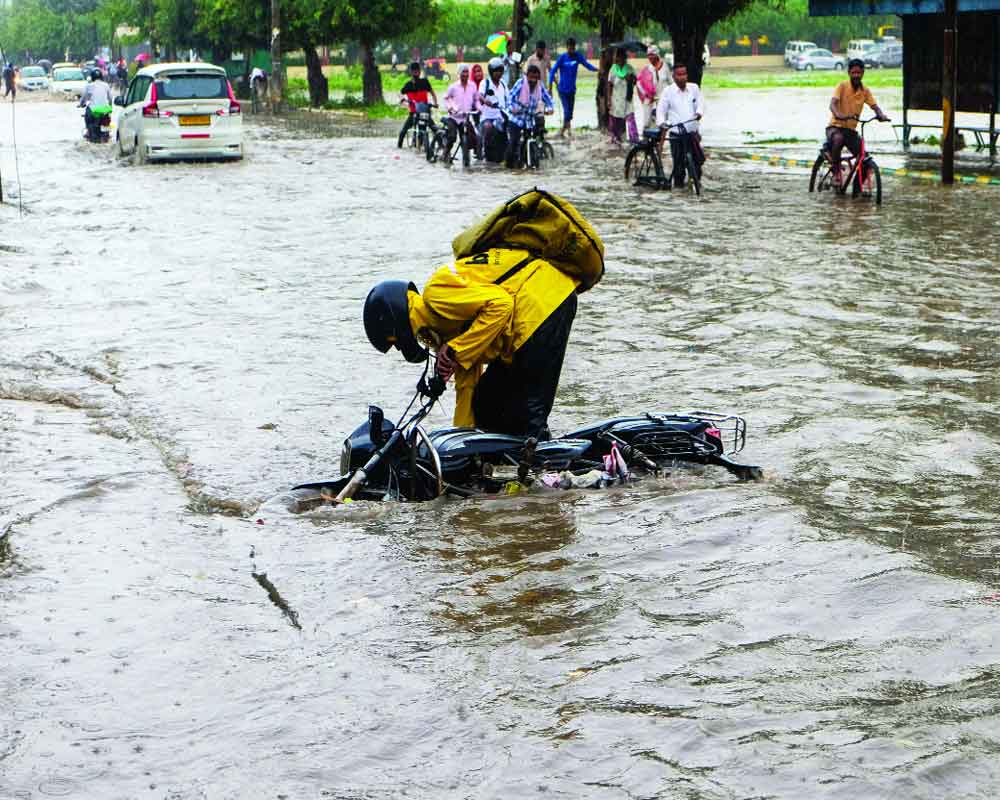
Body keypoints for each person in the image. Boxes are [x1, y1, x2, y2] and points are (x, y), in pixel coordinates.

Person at [362, 190, 605, 439]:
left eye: (394, 342)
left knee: (526, 413)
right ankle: (518, 462)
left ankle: (545, 468)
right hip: (541, 308)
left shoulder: (437, 294)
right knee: (486, 402)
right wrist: (460, 441)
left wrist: (456, 350)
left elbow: (501, 305)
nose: (405, 347)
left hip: (544, 302)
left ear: (395, 321)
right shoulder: (447, 330)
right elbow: (467, 385)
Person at [827, 59, 890, 187]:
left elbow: (874, 106)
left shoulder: (865, 91)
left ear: (863, 73)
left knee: (864, 158)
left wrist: (881, 115)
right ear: (849, 73)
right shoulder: (842, 86)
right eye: (853, 72)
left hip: (850, 131)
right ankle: (836, 172)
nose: (856, 75)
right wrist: (839, 115)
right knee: (838, 139)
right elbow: (833, 104)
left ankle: (857, 190)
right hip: (835, 127)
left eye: (859, 73)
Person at [655, 63, 705, 188]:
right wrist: (662, 123)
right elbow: (660, 110)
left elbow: (700, 103)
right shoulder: (668, 91)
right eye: (679, 74)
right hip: (676, 134)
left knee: (697, 166)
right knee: (679, 168)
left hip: (692, 134)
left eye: (684, 74)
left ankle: (695, 188)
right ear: (674, 76)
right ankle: (679, 194)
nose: (683, 77)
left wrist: (699, 112)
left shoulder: (694, 88)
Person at [504, 64, 554, 168]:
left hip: (529, 121)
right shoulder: (521, 83)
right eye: (531, 77)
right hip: (516, 119)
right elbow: (510, 98)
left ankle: (532, 156)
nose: (533, 80)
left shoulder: (540, 87)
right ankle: (508, 166)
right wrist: (512, 108)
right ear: (527, 76)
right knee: (513, 142)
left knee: (535, 137)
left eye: (536, 78)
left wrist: (550, 108)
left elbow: (548, 99)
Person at [547, 37, 597, 138]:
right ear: (567, 47)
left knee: (570, 113)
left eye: (573, 48)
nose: (571, 50)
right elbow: (552, 71)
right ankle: (562, 131)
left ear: (575, 47)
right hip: (562, 90)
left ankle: (567, 131)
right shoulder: (562, 58)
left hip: (572, 90)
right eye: (569, 48)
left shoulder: (578, 56)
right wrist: (550, 87)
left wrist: (597, 70)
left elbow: (587, 65)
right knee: (566, 111)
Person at [397, 61, 439, 149]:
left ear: (420, 71)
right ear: (411, 72)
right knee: (403, 131)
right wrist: (402, 99)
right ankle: (399, 146)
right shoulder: (408, 85)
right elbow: (399, 93)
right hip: (413, 113)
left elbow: (433, 93)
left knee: (435, 129)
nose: (416, 73)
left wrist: (435, 103)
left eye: (418, 71)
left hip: (425, 112)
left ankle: (442, 146)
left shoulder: (425, 82)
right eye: (414, 71)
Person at [442, 64, 480, 160]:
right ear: (459, 73)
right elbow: (446, 98)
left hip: (465, 117)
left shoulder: (472, 86)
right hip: (454, 117)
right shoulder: (453, 87)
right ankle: (445, 153)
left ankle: (475, 155)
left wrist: (479, 109)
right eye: (463, 72)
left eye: (467, 72)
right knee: (452, 137)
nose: (465, 74)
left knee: (474, 137)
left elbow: (476, 100)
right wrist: (450, 108)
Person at [478, 57, 509, 162]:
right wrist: (485, 101)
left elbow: (509, 98)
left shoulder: (504, 84)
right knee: (488, 127)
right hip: (488, 117)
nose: (499, 73)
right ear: (491, 72)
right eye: (496, 71)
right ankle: (484, 150)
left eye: (501, 71)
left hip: (502, 116)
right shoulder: (485, 83)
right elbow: (480, 95)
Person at [635, 45, 671, 132]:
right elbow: (639, 83)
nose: (650, 57)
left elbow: (671, 83)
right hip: (649, 98)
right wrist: (646, 94)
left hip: (662, 99)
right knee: (646, 121)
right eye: (648, 55)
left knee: (662, 121)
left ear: (657, 55)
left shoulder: (665, 67)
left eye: (652, 54)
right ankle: (646, 140)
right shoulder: (647, 69)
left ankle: (659, 141)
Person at [606, 48, 637, 145]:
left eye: (623, 57)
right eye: (618, 56)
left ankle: (634, 142)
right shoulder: (613, 69)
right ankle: (616, 139)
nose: (621, 59)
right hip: (616, 100)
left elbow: (635, 81)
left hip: (627, 99)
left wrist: (630, 79)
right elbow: (610, 85)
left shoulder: (630, 68)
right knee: (616, 122)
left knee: (631, 120)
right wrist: (609, 100)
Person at [78, 68, 113, 141]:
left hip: (93, 111)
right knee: (107, 123)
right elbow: (110, 98)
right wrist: (110, 107)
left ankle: (88, 131)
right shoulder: (106, 85)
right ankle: (107, 133)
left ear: (92, 77)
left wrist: (81, 104)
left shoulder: (89, 86)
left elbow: (84, 98)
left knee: (88, 115)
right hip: (105, 110)